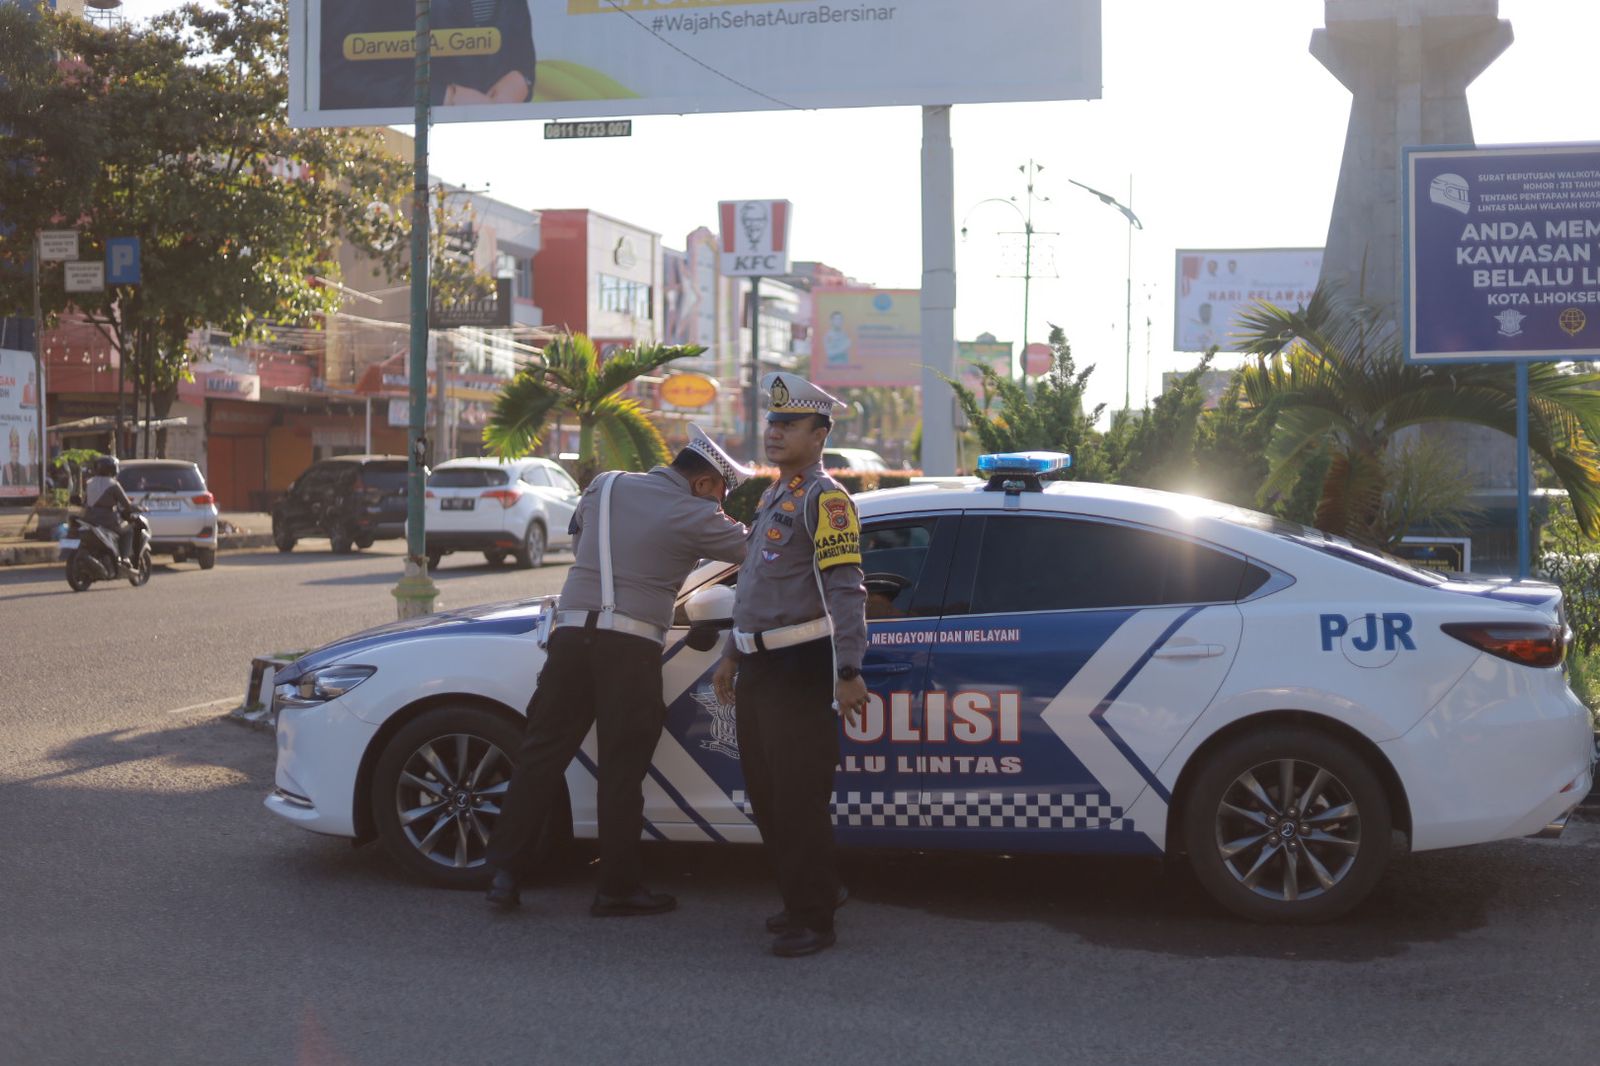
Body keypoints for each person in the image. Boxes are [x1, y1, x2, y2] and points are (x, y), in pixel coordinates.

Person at [484, 425, 752, 915]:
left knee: (540, 757)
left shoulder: (604, 485)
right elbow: (761, 553)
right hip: (629, 650)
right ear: (704, 484)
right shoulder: (694, 513)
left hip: (568, 639)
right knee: (622, 771)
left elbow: (588, 541)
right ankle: (617, 889)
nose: (719, 503)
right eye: (721, 492)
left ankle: (504, 873)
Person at [711, 373, 868, 958]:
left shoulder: (827, 500)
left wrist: (848, 671)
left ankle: (814, 919)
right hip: (758, 668)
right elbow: (753, 588)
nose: (774, 432)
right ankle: (811, 893)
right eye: (772, 422)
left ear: (819, 433)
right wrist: (730, 654)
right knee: (768, 797)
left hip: (803, 668)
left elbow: (846, 590)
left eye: (789, 423)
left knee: (799, 801)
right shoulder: (778, 495)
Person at [320, 0, 536, 112]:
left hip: (495, 139)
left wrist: (521, 77)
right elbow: (334, 73)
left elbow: (516, 35)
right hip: (414, 137)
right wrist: (442, 97)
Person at [83, 455, 136, 568]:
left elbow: (85, 502)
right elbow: (127, 505)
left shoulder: (89, 483)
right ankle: (125, 558)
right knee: (128, 530)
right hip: (108, 521)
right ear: (113, 469)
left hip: (90, 519)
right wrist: (139, 508)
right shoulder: (113, 484)